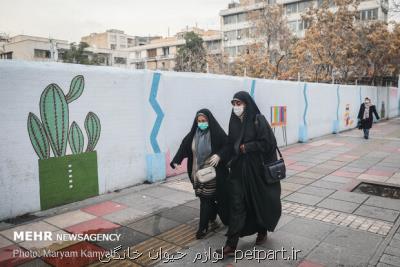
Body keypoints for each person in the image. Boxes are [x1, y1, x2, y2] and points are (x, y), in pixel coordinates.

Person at [216, 91, 282, 257]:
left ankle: (262, 230)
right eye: (234, 104)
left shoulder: (258, 119)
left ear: (247, 104)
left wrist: (248, 147)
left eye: (239, 103)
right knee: (237, 204)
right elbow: (230, 144)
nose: (236, 107)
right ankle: (231, 245)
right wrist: (220, 156)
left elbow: (269, 143)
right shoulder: (233, 122)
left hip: (256, 171)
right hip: (239, 170)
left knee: (257, 202)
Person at [170, 109, 230, 239]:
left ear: (209, 121)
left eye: (204, 121)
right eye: (199, 121)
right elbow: (184, 147)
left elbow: (228, 146)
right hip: (197, 173)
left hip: (213, 174)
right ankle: (212, 215)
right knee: (206, 198)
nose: (201, 123)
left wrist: (219, 155)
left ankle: (202, 228)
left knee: (205, 199)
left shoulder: (216, 133)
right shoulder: (193, 134)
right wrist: (176, 160)